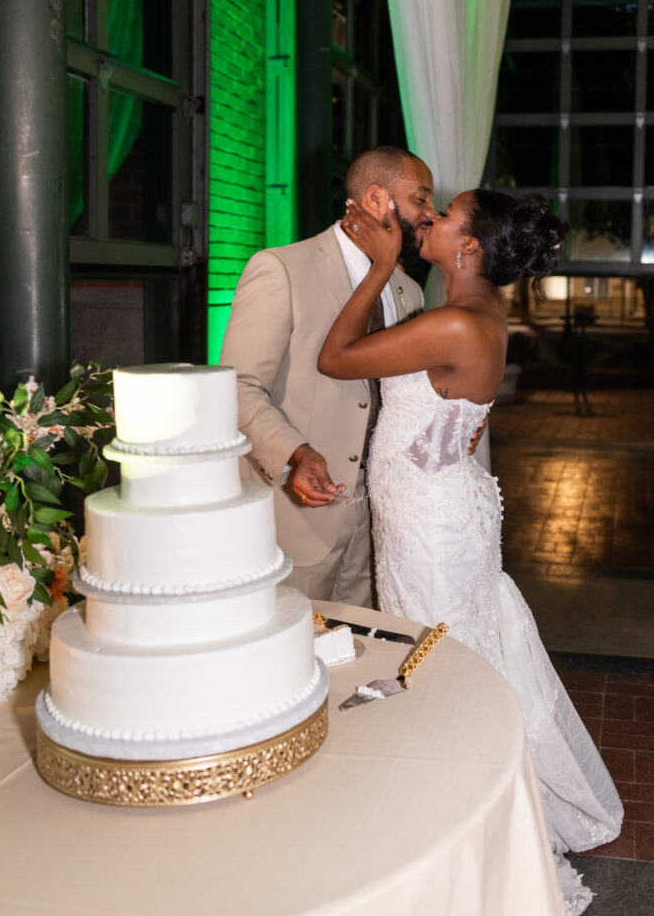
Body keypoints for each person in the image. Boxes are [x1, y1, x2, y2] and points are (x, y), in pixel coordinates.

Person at [318, 188, 623, 915]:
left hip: (430, 521)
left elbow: (336, 358)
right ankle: (480, 780)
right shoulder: (476, 313)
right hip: (439, 503)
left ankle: (468, 800)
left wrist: (377, 264)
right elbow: (457, 415)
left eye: (442, 215)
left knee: (443, 657)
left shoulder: (454, 320)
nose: (427, 219)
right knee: (463, 646)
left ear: (469, 248)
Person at [219, 147, 432, 607]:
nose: (430, 214)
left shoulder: (409, 289)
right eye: (421, 199)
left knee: (359, 655)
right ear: (378, 200)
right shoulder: (281, 269)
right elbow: (237, 387)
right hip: (296, 518)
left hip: (382, 524)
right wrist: (295, 453)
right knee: (284, 661)